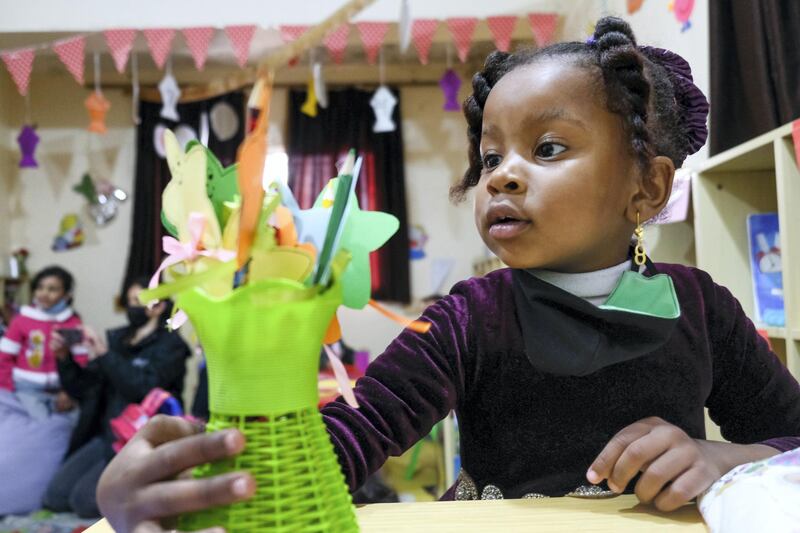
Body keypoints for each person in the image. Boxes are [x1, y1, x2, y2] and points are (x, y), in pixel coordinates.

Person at [96, 17, 800, 532]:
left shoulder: (701, 306)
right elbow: (345, 438)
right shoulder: (470, 315)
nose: (502, 177)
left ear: (646, 188)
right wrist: (199, 477)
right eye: (490, 157)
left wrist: (726, 455)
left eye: (547, 147)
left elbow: (791, 435)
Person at [42, 276, 190, 518]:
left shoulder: (171, 346)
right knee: (55, 496)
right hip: (106, 435)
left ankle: (150, 489)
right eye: (129, 300)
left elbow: (142, 387)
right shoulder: (118, 340)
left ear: (160, 306)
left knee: (84, 502)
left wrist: (103, 353)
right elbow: (84, 388)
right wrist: (64, 359)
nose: (133, 306)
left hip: (139, 440)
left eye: (139, 300)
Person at [0, 266, 86, 515]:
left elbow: (81, 361)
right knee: (41, 430)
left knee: (72, 425)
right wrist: (9, 390)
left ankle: (57, 485)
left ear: (66, 294)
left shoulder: (72, 322)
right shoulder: (22, 320)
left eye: (53, 289)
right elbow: (5, 357)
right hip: (26, 390)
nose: (44, 294)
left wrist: (70, 392)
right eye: (40, 288)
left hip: (61, 390)